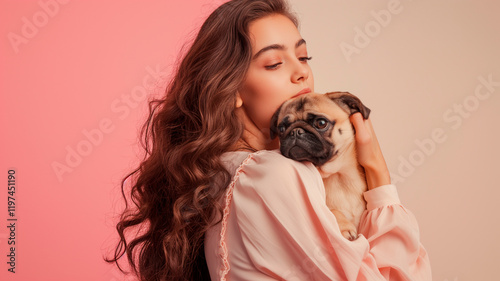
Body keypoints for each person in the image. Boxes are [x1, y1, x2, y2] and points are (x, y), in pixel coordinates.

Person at [106, 0, 432, 280]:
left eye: (304, 57)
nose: (301, 73)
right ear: (231, 88)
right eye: (274, 63)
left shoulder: (223, 174)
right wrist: (378, 174)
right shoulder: (276, 173)